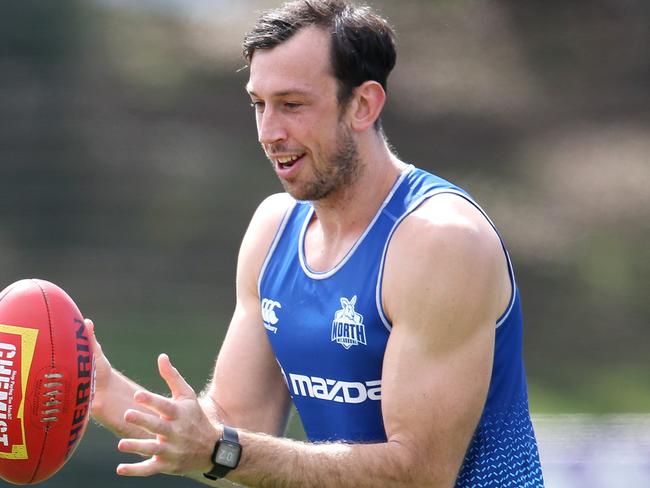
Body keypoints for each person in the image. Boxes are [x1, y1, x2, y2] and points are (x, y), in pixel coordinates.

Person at [87, 0, 544, 486]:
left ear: (363, 105)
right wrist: (102, 391)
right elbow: (230, 431)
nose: (268, 132)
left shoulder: (441, 242)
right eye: (258, 104)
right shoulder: (273, 230)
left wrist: (223, 447)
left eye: (292, 105)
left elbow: (419, 474)